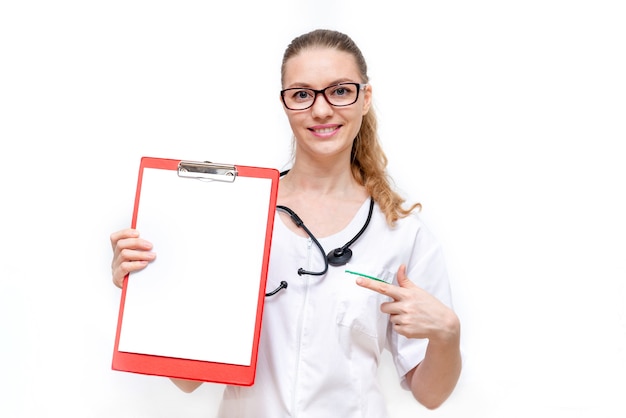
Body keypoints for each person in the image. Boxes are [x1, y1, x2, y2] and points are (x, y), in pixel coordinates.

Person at [110, 28, 461, 417]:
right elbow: (188, 380)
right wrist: (145, 284)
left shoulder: (401, 233)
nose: (322, 109)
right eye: (302, 94)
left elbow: (431, 395)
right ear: (285, 103)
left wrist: (447, 334)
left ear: (365, 98)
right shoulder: (234, 215)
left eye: (340, 90)